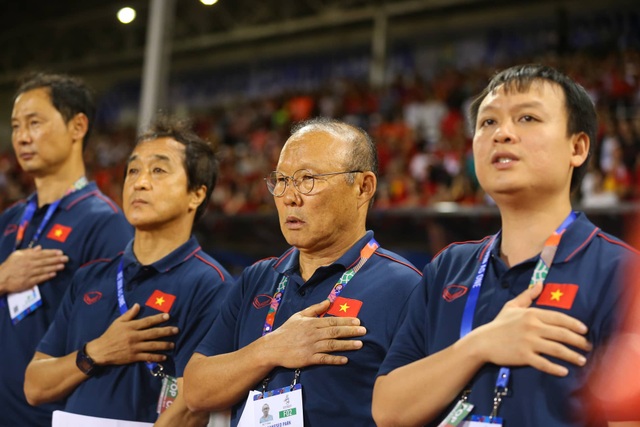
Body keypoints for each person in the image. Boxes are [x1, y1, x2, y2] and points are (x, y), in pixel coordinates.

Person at [372, 64, 640, 427]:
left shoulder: (621, 272)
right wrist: (479, 346)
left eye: (527, 117)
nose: (502, 133)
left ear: (577, 147)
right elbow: (388, 410)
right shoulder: (449, 267)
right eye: (488, 122)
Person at [183, 117, 423, 426]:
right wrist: (270, 350)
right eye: (281, 180)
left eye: (308, 179)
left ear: (363, 187)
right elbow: (196, 391)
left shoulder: (404, 287)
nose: (289, 196)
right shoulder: (258, 278)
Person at [24, 116, 234, 425]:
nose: (140, 182)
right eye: (133, 170)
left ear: (196, 194)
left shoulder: (210, 284)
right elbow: (34, 385)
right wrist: (95, 352)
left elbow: (193, 405)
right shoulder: (90, 276)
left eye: (158, 170)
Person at [0, 72, 133, 427]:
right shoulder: (11, 219)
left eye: (34, 123)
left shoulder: (104, 223)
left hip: (51, 416)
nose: (22, 137)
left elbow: (110, 343)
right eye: (15, 126)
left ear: (77, 126)